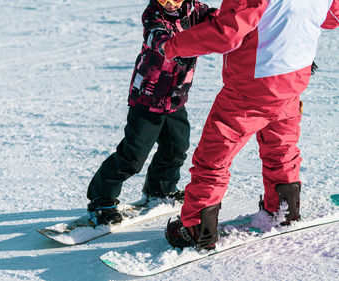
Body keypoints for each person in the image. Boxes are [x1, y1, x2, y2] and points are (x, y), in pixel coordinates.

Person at [152, 0, 339, 250]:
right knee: (282, 150)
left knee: (213, 159)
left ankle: (196, 228)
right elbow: (331, 17)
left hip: (250, 90)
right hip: (292, 82)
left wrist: (170, 45)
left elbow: (226, 34)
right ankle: (285, 210)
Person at [86, 0, 217, 226]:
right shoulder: (153, 17)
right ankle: (102, 199)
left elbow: (220, 20)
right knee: (133, 155)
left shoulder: (197, 11)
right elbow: (159, 40)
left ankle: (160, 190)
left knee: (176, 147)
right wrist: (199, 42)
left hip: (175, 98)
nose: (169, 3)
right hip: (147, 98)